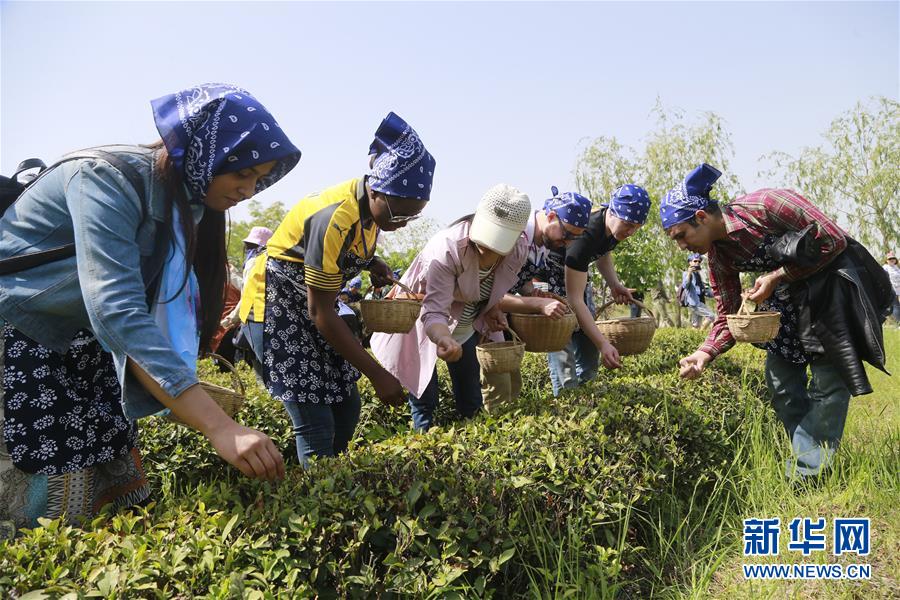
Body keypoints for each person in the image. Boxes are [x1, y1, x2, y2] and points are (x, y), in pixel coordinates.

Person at [0, 83, 299, 530]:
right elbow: (117, 308)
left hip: (85, 341)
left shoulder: (189, 204)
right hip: (25, 330)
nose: (249, 190)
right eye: (243, 174)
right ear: (208, 153)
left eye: (259, 180)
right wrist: (220, 427)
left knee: (114, 483)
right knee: (52, 499)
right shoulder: (105, 177)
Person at [662, 164, 893, 479]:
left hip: (832, 291)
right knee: (781, 385)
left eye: (682, 236)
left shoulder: (767, 206)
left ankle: (805, 472)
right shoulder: (719, 257)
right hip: (787, 303)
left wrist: (777, 275)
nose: (682, 246)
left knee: (828, 385)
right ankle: (810, 455)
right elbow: (727, 314)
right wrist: (704, 353)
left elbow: (833, 240)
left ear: (702, 217)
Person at [238, 112, 434, 466]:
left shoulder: (372, 216)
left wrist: (373, 264)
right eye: (398, 214)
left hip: (311, 310)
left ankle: (333, 484)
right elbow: (321, 312)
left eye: (411, 217)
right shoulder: (333, 216)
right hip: (277, 311)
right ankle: (317, 504)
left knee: (347, 408)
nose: (401, 224)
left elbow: (343, 258)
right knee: (315, 423)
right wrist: (378, 373)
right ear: (375, 189)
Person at [372, 184, 567, 428]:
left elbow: (492, 289)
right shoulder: (447, 248)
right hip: (424, 325)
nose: (486, 251)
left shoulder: (517, 250)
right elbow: (434, 311)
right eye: (484, 243)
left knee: (471, 397)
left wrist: (493, 308)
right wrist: (443, 338)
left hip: (465, 328)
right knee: (425, 399)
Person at [516, 185, 651, 395]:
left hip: (575, 278)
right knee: (562, 344)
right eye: (628, 224)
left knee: (589, 353)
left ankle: (586, 399)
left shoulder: (612, 229)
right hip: (550, 281)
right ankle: (565, 400)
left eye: (637, 226)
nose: (631, 231)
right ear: (613, 212)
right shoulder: (585, 236)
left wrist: (615, 284)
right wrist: (604, 344)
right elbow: (574, 300)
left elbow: (603, 254)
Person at [680, 253, 715, 328]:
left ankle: (695, 338)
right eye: (695, 261)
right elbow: (685, 285)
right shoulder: (686, 273)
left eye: (699, 261)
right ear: (690, 262)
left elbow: (703, 290)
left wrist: (715, 293)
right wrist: (689, 273)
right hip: (694, 303)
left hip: (700, 301)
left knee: (696, 325)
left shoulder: (698, 274)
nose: (697, 263)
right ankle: (702, 333)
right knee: (711, 316)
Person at [884, 251, 900, 325]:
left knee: (895, 306)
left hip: (898, 290)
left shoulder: (896, 267)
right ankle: (898, 323)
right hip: (891, 290)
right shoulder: (886, 267)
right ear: (887, 260)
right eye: (890, 259)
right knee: (895, 306)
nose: (892, 260)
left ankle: (894, 322)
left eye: (893, 258)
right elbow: (882, 277)